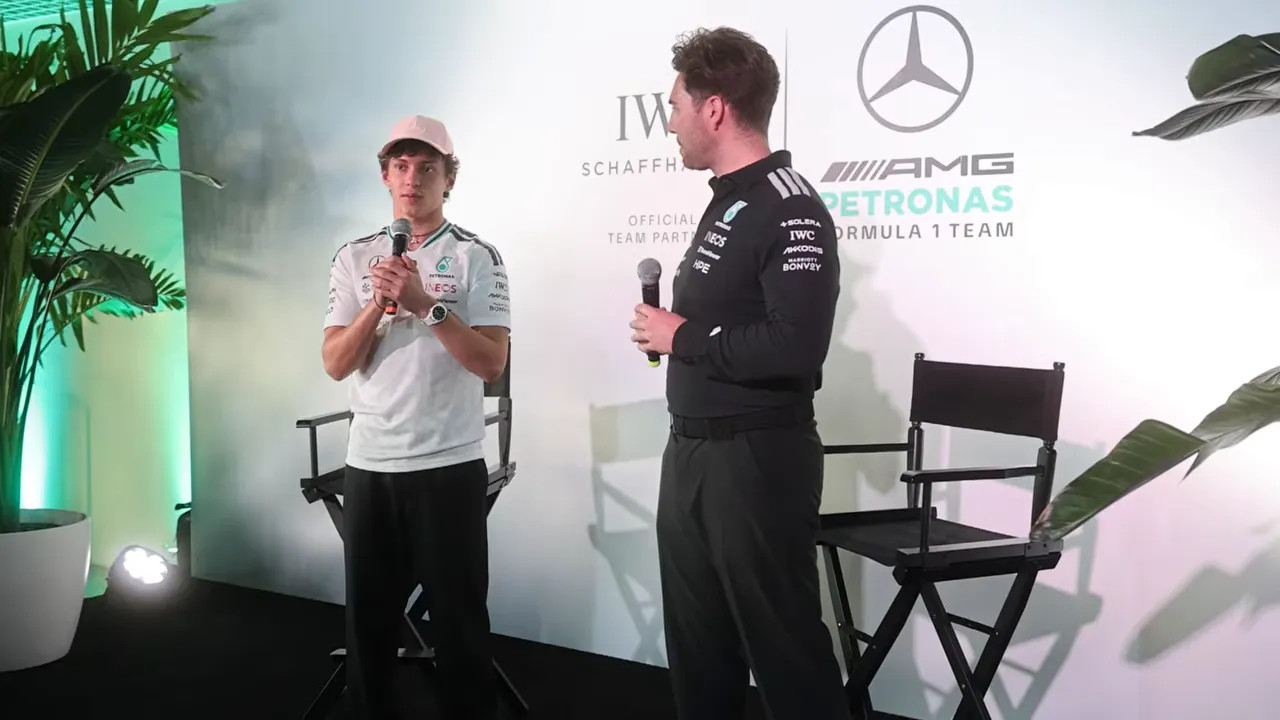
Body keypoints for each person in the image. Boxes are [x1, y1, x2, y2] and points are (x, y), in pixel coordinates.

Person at [629, 27, 851, 720]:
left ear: (715, 109)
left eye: (675, 107)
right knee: (699, 654)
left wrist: (684, 337)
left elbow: (797, 347)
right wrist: (681, 338)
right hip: (691, 454)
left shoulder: (791, 204)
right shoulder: (728, 198)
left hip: (756, 461)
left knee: (787, 657)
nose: (670, 123)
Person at [321, 114, 510, 720]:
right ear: (385, 176)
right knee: (368, 629)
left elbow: (491, 363)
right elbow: (336, 363)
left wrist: (426, 304)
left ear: (448, 178)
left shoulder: (477, 255)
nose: (412, 178)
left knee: (460, 627)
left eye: (427, 167)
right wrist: (379, 305)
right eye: (401, 166)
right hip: (371, 465)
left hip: (448, 465)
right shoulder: (354, 257)